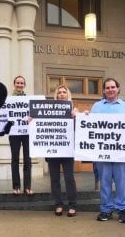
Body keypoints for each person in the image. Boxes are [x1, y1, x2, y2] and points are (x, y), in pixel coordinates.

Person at [91, 77, 125, 224]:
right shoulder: (96, 107)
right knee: (105, 181)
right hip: (102, 152)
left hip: (121, 153)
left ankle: (123, 210)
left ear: (118, 89)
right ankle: (106, 209)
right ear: (103, 90)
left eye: (113, 87)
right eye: (107, 87)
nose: (110, 90)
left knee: (122, 182)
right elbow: (90, 126)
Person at [47, 85, 78, 217]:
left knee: (69, 178)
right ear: (56, 95)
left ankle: (72, 205)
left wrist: (76, 117)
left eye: (64, 92)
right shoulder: (48, 110)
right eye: (59, 92)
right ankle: (58, 204)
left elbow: (81, 128)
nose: (61, 94)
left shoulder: (74, 110)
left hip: (67, 150)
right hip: (53, 149)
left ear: (68, 95)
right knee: (54, 179)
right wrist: (32, 120)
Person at [9, 76, 33, 195]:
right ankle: (16, 186)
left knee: (27, 159)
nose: (19, 85)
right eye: (17, 83)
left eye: (22, 83)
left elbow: (35, 114)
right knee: (15, 160)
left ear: (24, 85)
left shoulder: (29, 100)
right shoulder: (8, 100)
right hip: (14, 133)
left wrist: (32, 117)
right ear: (14, 84)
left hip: (27, 133)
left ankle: (27, 186)